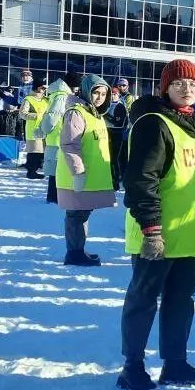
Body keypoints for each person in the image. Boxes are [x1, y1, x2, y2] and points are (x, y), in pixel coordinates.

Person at [117, 59, 195, 390]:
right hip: (157, 234)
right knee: (143, 299)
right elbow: (140, 179)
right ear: (165, 88)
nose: (186, 89)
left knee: (180, 300)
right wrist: (151, 229)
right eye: (179, 83)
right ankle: (132, 366)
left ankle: (175, 364)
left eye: (193, 84)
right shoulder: (153, 123)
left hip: (189, 233)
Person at [56, 75, 115, 266]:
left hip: (89, 176)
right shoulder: (76, 112)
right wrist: (78, 172)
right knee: (76, 215)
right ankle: (74, 253)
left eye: (103, 94)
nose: (99, 97)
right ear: (86, 91)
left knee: (82, 214)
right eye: (96, 92)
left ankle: (78, 250)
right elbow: (69, 144)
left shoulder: (93, 113)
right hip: (77, 176)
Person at [37, 73, 82, 206]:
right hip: (58, 137)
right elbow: (52, 117)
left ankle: (55, 197)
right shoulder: (62, 96)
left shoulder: (58, 94)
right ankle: (54, 198)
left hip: (56, 138)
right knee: (57, 170)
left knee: (56, 169)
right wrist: (44, 130)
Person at [105, 77, 135, 189]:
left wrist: (108, 117)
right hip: (112, 132)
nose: (121, 87)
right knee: (115, 157)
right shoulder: (110, 103)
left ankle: (121, 178)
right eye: (120, 85)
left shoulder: (127, 98)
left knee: (119, 157)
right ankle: (117, 177)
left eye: (123, 85)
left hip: (123, 131)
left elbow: (124, 116)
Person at [21, 82, 49, 179]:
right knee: (34, 152)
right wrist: (37, 116)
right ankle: (31, 171)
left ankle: (36, 169)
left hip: (44, 129)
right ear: (37, 88)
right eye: (43, 87)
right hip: (33, 129)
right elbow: (22, 114)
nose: (44, 89)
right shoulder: (29, 99)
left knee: (42, 151)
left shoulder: (46, 100)